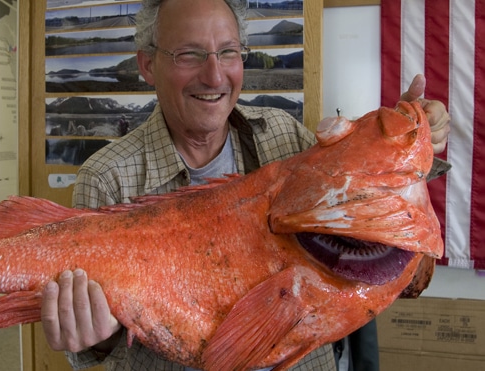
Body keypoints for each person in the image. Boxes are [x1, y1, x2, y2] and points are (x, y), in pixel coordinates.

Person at [40, 0, 451, 370]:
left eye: (229, 52)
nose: (214, 74)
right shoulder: (106, 176)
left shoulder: (286, 136)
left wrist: (416, 152)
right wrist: (91, 334)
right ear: (147, 64)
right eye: (190, 54)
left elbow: (366, 206)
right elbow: (88, 351)